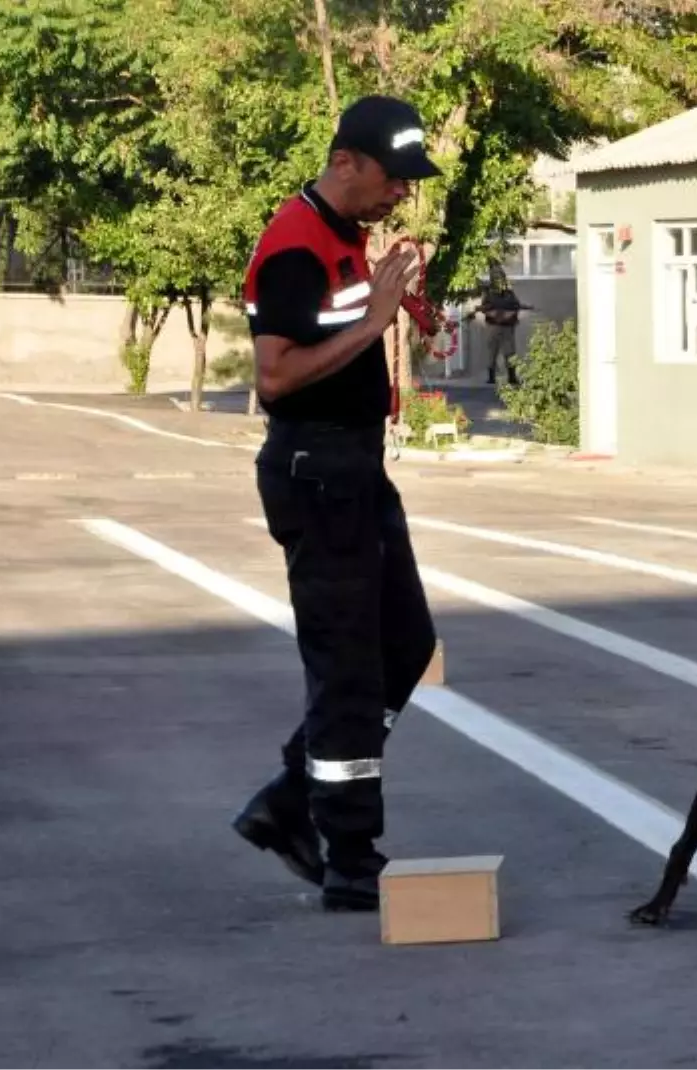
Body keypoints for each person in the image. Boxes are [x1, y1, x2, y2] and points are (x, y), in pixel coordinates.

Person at [232, 95, 441, 912]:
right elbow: (276, 376)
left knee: (408, 644)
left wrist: (400, 309)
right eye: (393, 179)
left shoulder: (347, 238)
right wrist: (376, 321)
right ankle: (350, 855)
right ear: (347, 162)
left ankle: (290, 800)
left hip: (355, 469)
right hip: (316, 473)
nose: (401, 196)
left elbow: (347, 334)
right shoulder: (295, 246)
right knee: (348, 668)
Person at [473, 267, 532, 386]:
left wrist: (513, 312)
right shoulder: (489, 293)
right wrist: (492, 313)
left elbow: (516, 305)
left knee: (509, 352)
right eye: (496, 278)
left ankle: (511, 376)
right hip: (494, 325)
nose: (498, 280)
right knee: (492, 352)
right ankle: (492, 376)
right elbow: (484, 308)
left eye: (500, 277)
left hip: (507, 326)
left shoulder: (509, 293)